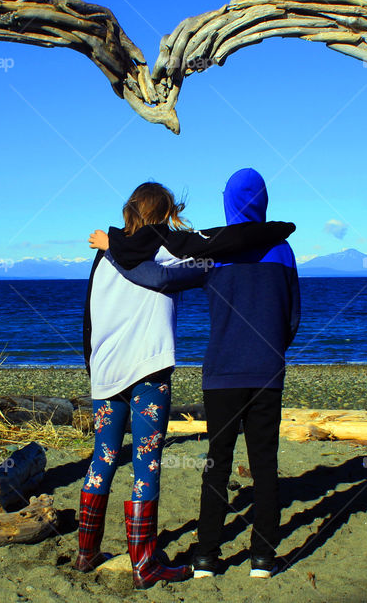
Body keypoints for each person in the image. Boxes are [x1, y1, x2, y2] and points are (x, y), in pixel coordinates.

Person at [78, 181, 295, 589]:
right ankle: (144, 563)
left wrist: (92, 366)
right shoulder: (166, 252)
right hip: (148, 373)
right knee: (147, 464)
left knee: (101, 460)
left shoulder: (102, 258)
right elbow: (161, 276)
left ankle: (86, 551)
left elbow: (89, 317)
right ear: (162, 215)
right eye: (172, 216)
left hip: (106, 375)